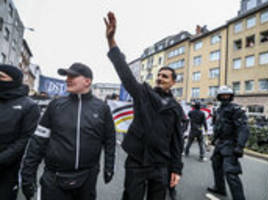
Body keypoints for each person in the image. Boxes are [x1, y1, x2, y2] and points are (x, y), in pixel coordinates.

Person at [105, 12, 185, 200]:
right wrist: (111, 40)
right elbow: (124, 73)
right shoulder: (144, 94)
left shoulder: (175, 108)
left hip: (161, 166)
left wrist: (176, 169)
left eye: (165, 76)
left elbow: (177, 141)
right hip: (137, 162)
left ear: (173, 82)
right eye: (159, 75)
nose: (160, 78)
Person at [20, 63, 116, 200]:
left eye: (73, 76)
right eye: (67, 76)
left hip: (87, 178)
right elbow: (38, 141)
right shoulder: (55, 105)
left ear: (87, 81)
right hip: (54, 178)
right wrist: (28, 173)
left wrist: (109, 166)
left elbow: (110, 140)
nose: (67, 79)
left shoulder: (102, 108)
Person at [0, 64, 40, 200]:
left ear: (14, 80)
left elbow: (26, 139)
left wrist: (2, 158)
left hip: (8, 171)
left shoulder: (29, 106)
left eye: (1, 77)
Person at [207, 85, 249, 200]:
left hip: (231, 144)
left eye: (227, 95)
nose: (225, 97)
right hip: (220, 143)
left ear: (231, 97)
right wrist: (213, 140)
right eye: (222, 95)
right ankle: (220, 188)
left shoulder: (236, 110)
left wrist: (240, 146)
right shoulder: (218, 110)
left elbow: (243, 128)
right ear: (219, 97)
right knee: (216, 165)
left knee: (231, 172)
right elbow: (218, 126)